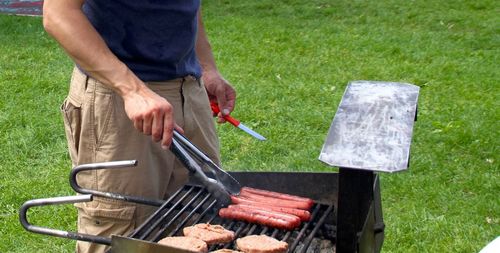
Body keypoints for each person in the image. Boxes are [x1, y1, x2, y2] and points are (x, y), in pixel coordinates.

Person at [42, 1, 236, 252]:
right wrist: (132, 90)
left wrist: (206, 66)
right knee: (123, 231)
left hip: (190, 90)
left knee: (201, 219)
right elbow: (58, 15)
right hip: (120, 96)